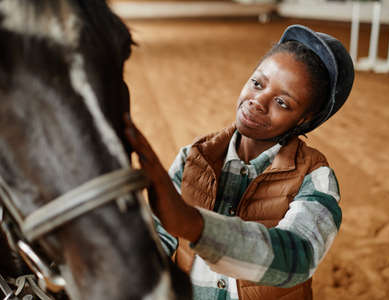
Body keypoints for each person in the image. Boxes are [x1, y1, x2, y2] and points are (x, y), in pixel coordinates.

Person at [125, 24, 354, 300]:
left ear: (305, 119)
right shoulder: (191, 159)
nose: (258, 101)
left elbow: (300, 255)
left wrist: (194, 225)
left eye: (282, 102)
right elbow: (154, 247)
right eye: (257, 83)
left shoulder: (315, 176)